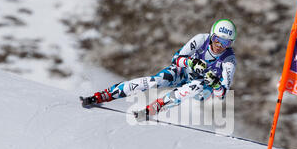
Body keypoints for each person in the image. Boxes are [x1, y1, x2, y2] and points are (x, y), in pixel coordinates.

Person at [80, 19, 237, 119]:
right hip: (184, 72)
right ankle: (103, 95)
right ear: (211, 36)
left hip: (203, 89)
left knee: (195, 86)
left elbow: (221, 94)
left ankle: (156, 107)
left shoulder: (229, 61)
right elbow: (176, 59)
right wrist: (191, 63)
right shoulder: (200, 40)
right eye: (217, 40)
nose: (219, 46)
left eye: (225, 43)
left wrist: (216, 83)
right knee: (155, 81)